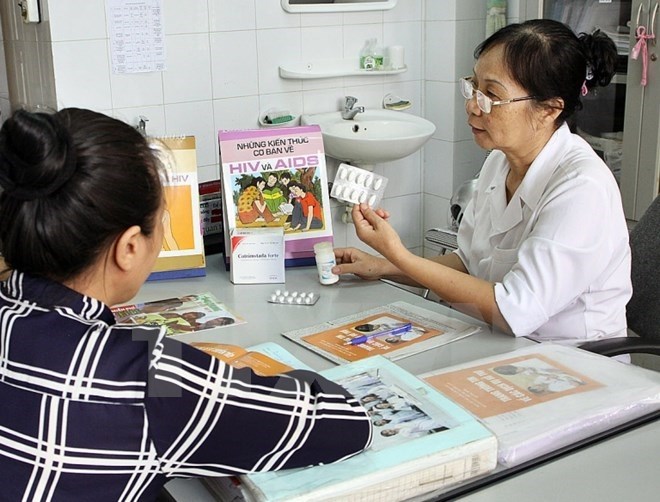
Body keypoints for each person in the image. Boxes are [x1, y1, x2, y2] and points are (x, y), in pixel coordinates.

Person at [0, 108, 372, 501]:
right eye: (161, 220)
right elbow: (343, 423)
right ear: (129, 247)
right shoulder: (146, 377)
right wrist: (218, 377)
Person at [333, 19, 631, 345]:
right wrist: (382, 265)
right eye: (472, 87)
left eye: (491, 95)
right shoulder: (499, 162)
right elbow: (468, 263)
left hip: (575, 365)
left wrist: (400, 256)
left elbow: (513, 311)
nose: (472, 105)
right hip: (501, 345)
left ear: (549, 109)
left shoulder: (582, 189)